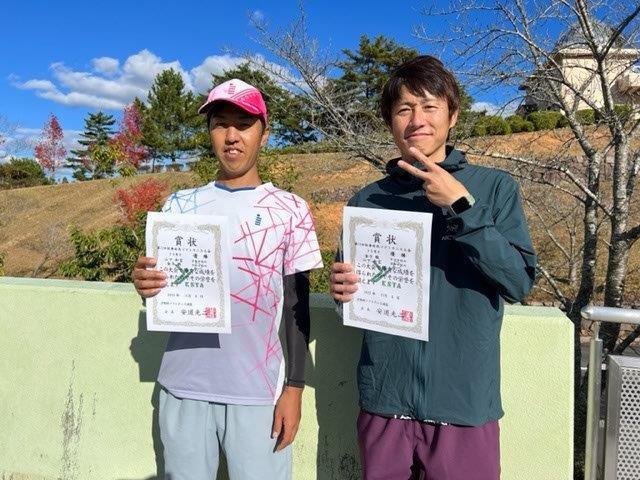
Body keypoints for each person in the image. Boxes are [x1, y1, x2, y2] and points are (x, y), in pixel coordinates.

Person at [330, 56, 537, 480]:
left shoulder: (494, 188)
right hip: (384, 402)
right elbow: (350, 298)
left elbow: (517, 281)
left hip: (464, 406)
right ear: (390, 120)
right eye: (404, 109)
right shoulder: (367, 200)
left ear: (453, 115)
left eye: (429, 106)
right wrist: (342, 292)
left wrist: (462, 206)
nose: (417, 120)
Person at [132, 78, 323, 480]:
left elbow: (297, 305)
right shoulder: (180, 205)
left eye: (244, 124)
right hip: (182, 387)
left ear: (264, 134)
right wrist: (146, 285)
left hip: (259, 393)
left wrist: (294, 388)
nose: (231, 136)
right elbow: (163, 291)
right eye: (220, 124)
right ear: (209, 132)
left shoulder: (291, 209)